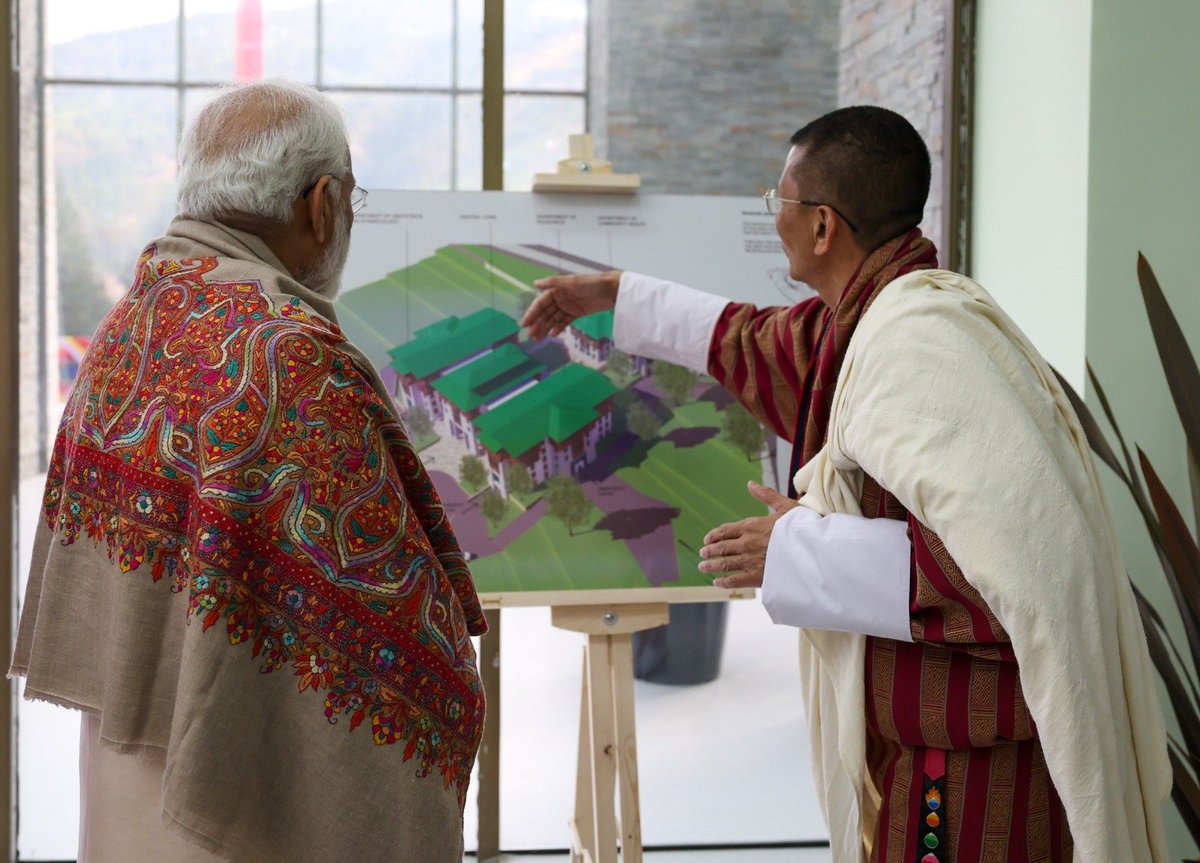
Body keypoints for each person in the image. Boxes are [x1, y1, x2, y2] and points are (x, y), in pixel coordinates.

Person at [522, 106, 1169, 862]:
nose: (776, 216)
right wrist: (612, 293)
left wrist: (798, 551)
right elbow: (748, 337)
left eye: (781, 201)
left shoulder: (922, 347)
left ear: (823, 225)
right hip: (924, 762)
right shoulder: (869, 321)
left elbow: (1008, 573)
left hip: (971, 780)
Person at [11, 80, 487, 863]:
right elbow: (400, 635)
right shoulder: (289, 357)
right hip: (247, 812)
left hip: (132, 792)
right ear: (323, 204)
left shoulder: (134, 319)